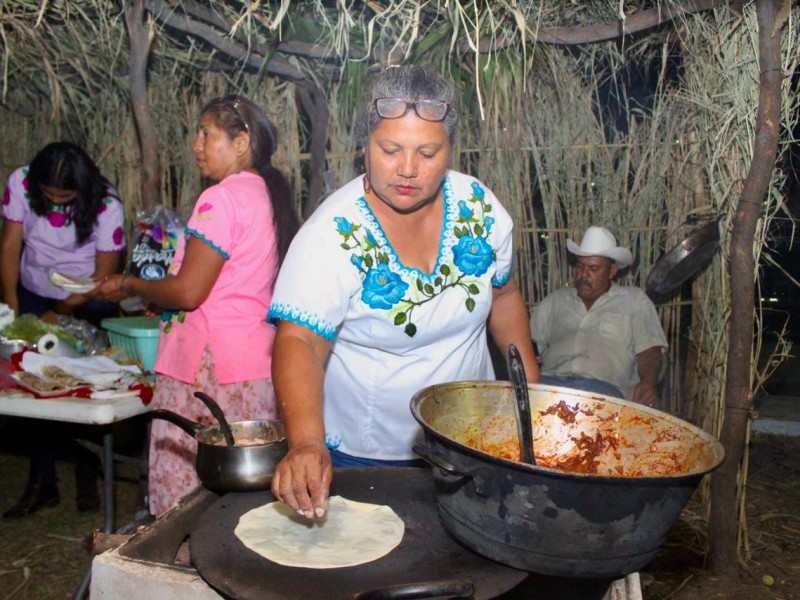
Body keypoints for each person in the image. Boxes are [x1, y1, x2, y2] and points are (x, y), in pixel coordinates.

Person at [267, 65, 539, 520]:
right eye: (390, 149)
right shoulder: (332, 235)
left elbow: (505, 297)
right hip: (370, 454)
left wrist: (531, 396)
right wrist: (308, 443)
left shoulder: (479, 207)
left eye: (428, 152)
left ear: (451, 149)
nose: (408, 169)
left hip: (474, 442)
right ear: (365, 145)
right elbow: (299, 342)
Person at [93, 94, 300, 517]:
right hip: (253, 365)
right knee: (241, 499)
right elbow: (229, 286)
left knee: (188, 499)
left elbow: (190, 293)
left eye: (207, 134)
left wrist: (134, 285)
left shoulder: (220, 199)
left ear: (241, 142)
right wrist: (162, 303)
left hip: (208, 372)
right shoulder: (266, 195)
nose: (197, 145)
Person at [0, 141, 126, 519]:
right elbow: (9, 245)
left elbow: (103, 277)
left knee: (83, 388)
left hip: (88, 298)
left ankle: (87, 477)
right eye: (49, 194)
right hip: (34, 291)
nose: (55, 202)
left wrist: (59, 311)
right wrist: (11, 302)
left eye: (64, 196)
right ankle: (43, 482)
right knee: (37, 386)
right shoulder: (21, 182)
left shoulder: (107, 205)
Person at [530, 225, 668, 405]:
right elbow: (527, 344)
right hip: (549, 386)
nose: (583, 275)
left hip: (603, 393)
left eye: (593, 269)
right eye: (580, 267)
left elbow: (650, 350)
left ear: (612, 271)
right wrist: (531, 355)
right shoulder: (555, 301)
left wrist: (649, 382)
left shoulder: (634, 301)